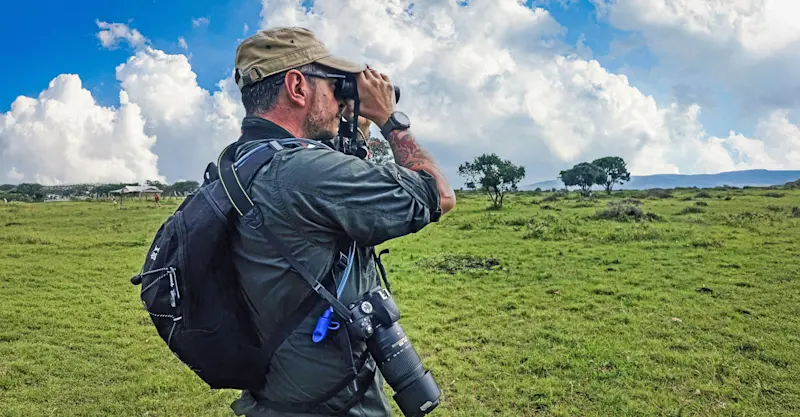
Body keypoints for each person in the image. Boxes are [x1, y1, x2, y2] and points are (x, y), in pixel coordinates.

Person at [226, 26, 456, 417]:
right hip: (336, 404)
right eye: (333, 86)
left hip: (273, 395)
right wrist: (389, 119)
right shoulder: (303, 171)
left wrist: (352, 129)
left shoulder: (237, 164)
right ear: (297, 86)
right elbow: (438, 193)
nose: (340, 98)